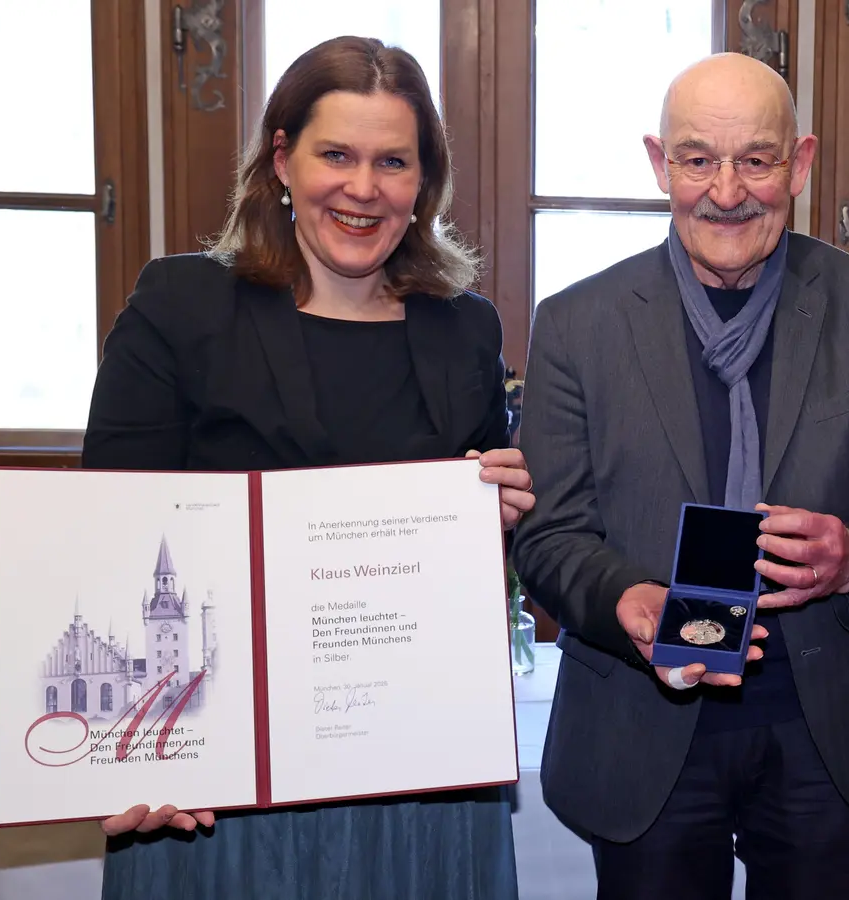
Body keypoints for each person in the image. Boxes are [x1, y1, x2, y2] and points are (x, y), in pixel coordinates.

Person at [80, 36, 531, 900]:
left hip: (422, 774)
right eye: (337, 154)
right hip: (219, 780)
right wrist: (122, 752)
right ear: (282, 158)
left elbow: (462, 567)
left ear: (422, 183)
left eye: (393, 161)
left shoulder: (464, 329)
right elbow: (116, 540)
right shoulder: (182, 306)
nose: (363, 189)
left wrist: (496, 519)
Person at [511, 52, 849, 900]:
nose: (726, 192)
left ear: (800, 163)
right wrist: (620, 602)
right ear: (658, 163)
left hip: (824, 729)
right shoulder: (576, 324)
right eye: (697, 160)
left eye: (756, 159)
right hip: (644, 726)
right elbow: (549, 533)